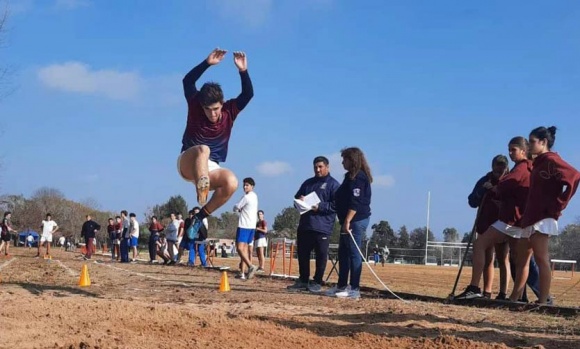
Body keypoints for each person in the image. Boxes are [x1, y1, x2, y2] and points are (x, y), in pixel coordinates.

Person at [179, 48, 254, 239]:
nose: (213, 114)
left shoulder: (230, 111)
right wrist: (207, 63)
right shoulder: (195, 104)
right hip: (189, 160)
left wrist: (243, 71)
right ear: (201, 106)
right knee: (203, 149)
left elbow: (247, 94)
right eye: (208, 110)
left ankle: (200, 217)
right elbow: (187, 81)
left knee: (232, 182)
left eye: (216, 109)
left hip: (212, 168)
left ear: (222, 103)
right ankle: (201, 185)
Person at [457, 137, 542, 301]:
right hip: (508, 221)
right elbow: (473, 200)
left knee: (501, 255)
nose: (510, 153)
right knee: (517, 259)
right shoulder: (528, 168)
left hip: (510, 220)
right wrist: (483, 191)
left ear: (523, 151)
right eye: (509, 150)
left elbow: (509, 184)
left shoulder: (522, 168)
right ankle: (515, 297)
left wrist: (494, 188)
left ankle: (479, 288)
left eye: (513, 150)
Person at [509, 126, 580, 304]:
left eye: (532, 141)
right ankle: (514, 297)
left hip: (543, 216)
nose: (530, 145)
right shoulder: (538, 162)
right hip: (530, 216)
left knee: (541, 258)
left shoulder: (552, 160)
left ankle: (543, 300)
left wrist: (559, 204)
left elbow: (574, 176)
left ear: (543, 142)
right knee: (521, 259)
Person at [287, 156, 339, 292]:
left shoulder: (334, 185)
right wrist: (300, 200)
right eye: (315, 167)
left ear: (327, 167)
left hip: (323, 227)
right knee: (303, 255)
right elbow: (295, 199)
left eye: (320, 167)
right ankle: (303, 280)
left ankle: (317, 282)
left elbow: (336, 205)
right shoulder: (308, 183)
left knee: (321, 256)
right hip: (305, 225)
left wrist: (319, 207)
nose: (317, 169)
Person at [326, 148, 372, 299]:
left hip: (355, 220)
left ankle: (355, 288)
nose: (342, 162)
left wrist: (348, 220)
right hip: (346, 219)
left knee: (354, 253)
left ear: (352, 160)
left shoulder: (359, 178)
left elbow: (356, 201)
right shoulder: (349, 177)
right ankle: (341, 285)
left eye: (344, 159)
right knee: (343, 253)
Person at [466, 154, 510, 299]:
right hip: (485, 223)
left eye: (502, 166)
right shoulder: (484, 180)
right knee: (488, 257)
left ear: (506, 167)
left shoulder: (509, 181)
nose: (499, 168)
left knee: (503, 258)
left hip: (503, 224)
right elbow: (472, 201)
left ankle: (503, 293)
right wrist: (482, 191)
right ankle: (487, 292)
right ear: (492, 166)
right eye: (497, 165)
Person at [233, 177, 258, 280]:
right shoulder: (255, 196)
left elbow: (237, 207)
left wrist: (236, 207)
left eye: (247, 185)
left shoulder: (246, 197)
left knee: (239, 248)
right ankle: (242, 273)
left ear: (252, 186)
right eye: (244, 185)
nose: (245, 187)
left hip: (244, 225)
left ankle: (250, 266)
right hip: (252, 226)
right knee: (244, 250)